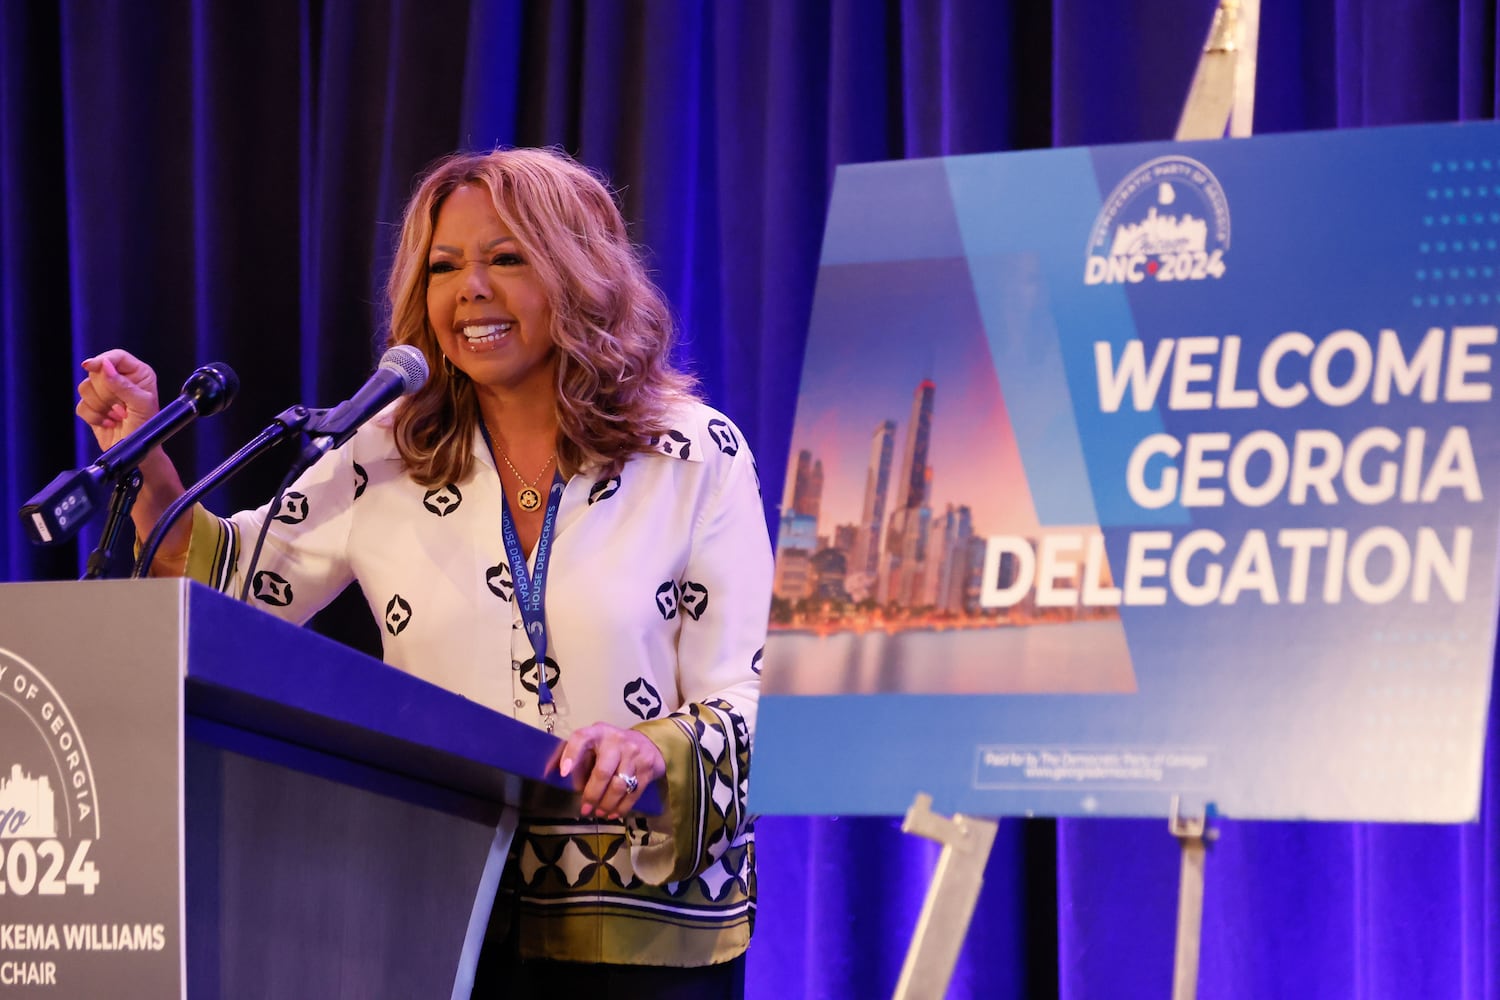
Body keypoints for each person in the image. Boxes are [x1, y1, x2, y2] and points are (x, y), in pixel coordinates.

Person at [76, 147, 773, 995]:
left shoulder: (694, 452)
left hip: (640, 937)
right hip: (438, 914)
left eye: (506, 258)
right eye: (444, 267)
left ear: (581, 273)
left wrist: (649, 750)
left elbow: (750, 694)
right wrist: (145, 460)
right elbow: (224, 590)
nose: (469, 289)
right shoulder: (385, 451)